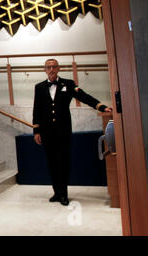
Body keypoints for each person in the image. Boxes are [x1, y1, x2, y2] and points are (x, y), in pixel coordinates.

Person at [32, 58, 112, 206]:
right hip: (47, 132)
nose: (51, 69)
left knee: (63, 162)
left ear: (58, 68)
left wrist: (101, 107)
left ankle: (63, 194)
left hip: (63, 131)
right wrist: (36, 131)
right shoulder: (39, 87)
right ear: (45, 70)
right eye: (48, 67)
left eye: (54, 66)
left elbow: (84, 96)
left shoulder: (68, 84)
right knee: (52, 163)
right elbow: (36, 109)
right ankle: (56, 192)